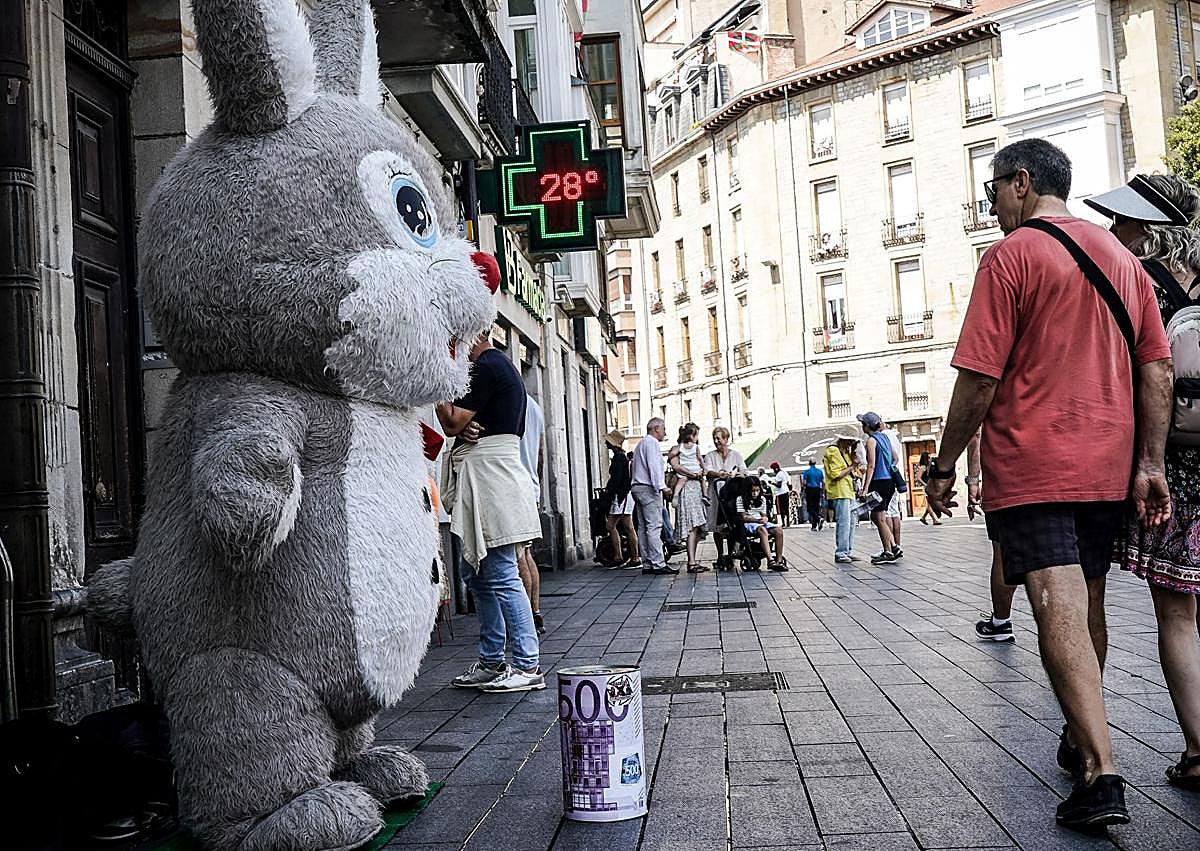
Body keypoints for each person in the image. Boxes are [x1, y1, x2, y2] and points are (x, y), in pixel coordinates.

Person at [924, 139, 1173, 828]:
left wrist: (944, 464)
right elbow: (1157, 370)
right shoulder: (1124, 259)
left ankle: (1103, 772)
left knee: (1054, 602)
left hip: (1036, 461)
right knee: (1085, 599)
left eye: (993, 190)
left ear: (1023, 183)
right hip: (1109, 463)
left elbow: (978, 379)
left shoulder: (1009, 258)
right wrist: (1149, 461)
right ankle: (1078, 732)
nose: (993, 205)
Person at [1090, 173, 1200, 790]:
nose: (1112, 231)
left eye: (1123, 223)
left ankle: (1199, 749)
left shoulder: (1130, 284)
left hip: (1170, 468)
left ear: (1147, 229)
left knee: (1176, 613)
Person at [438, 334, 545, 693]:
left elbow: (451, 420)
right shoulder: (498, 366)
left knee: (499, 574)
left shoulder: (486, 368)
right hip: (493, 480)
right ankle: (491, 660)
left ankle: (527, 664)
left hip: (492, 483)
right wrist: (465, 424)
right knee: (480, 576)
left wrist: (437, 380)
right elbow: (464, 423)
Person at [630, 418, 678, 576]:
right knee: (654, 526)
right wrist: (662, 487)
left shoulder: (641, 444)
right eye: (663, 428)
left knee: (643, 527)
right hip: (648, 488)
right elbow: (654, 466)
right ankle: (658, 563)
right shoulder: (651, 443)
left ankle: (648, 562)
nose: (665, 432)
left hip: (637, 487)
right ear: (656, 429)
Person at [517, 393, 545, 634]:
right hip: (531, 487)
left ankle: (525, 619)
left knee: (518, 557)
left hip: (515, 487)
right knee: (527, 553)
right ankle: (535, 613)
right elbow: (541, 455)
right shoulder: (535, 407)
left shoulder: (508, 400)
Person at [857, 411, 900, 565]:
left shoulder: (871, 441)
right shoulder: (886, 438)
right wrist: (889, 468)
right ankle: (891, 548)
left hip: (878, 482)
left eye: (863, 424)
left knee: (878, 518)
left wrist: (865, 488)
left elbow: (871, 466)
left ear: (866, 426)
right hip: (889, 482)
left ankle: (891, 549)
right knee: (878, 517)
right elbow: (895, 458)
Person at [668, 423, 710, 573]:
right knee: (692, 524)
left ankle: (692, 560)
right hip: (690, 488)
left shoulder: (681, 448)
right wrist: (695, 473)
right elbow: (676, 466)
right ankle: (691, 562)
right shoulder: (679, 448)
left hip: (695, 487)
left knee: (696, 525)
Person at [704, 426, 746, 569]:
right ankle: (720, 554)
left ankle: (730, 554)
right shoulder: (710, 455)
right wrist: (719, 475)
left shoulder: (736, 455)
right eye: (715, 439)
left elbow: (744, 471)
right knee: (717, 526)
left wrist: (739, 475)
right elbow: (707, 471)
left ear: (726, 439)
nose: (716, 441)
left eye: (719, 438)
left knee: (729, 524)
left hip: (731, 495)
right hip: (716, 493)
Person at [601, 429, 640, 570]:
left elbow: (616, 480)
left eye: (608, 442)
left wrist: (609, 495)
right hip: (623, 495)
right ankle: (621, 556)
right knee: (618, 526)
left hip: (622, 496)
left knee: (624, 526)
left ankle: (632, 557)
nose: (606, 443)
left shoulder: (618, 458)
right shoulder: (621, 457)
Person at [823, 434, 859, 563]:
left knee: (851, 522)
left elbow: (854, 471)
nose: (850, 444)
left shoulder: (844, 452)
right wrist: (852, 466)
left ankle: (848, 550)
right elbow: (836, 474)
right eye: (849, 441)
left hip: (849, 490)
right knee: (844, 521)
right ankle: (841, 552)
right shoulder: (833, 450)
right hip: (840, 490)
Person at [736, 480, 787, 570]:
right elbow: (743, 517)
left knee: (778, 530)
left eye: (757, 491)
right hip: (748, 523)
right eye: (752, 491)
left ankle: (779, 560)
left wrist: (765, 519)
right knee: (762, 530)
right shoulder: (740, 499)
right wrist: (757, 520)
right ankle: (770, 560)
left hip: (759, 521)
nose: (755, 493)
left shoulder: (762, 499)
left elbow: (764, 515)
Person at [882, 421, 905, 556]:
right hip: (895, 475)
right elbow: (896, 458)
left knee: (887, 514)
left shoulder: (882, 437)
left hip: (885, 477)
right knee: (894, 512)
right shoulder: (894, 436)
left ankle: (890, 547)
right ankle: (897, 544)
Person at [915, 452, 942, 526]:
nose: (930, 458)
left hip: (931, 487)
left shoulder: (929, 466)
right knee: (929, 503)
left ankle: (923, 518)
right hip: (926, 487)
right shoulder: (922, 467)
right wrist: (925, 484)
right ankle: (934, 519)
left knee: (931, 503)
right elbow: (918, 478)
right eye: (928, 457)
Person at [801, 460, 825, 531]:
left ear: (809, 463)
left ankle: (818, 519)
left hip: (810, 489)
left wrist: (803, 489)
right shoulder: (820, 472)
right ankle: (814, 525)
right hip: (817, 489)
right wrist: (822, 491)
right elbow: (823, 482)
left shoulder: (806, 472)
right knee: (816, 507)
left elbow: (804, 483)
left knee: (810, 508)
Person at [769, 462, 792, 526]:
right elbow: (787, 482)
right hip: (786, 491)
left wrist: (772, 483)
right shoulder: (784, 472)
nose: (773, 471)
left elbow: (779, 485)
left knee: (781, 508)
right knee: (786, 508)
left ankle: (783, 523)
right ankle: (788, 522)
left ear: (776, 468)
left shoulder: (779, 474)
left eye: (773, 469)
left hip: (781, 493)